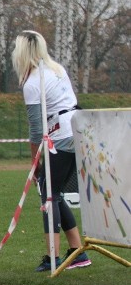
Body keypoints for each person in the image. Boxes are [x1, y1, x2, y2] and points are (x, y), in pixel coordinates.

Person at [11, 30, 91, 272]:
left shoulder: (32, 83)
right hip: (77, 130)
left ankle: (53, 256)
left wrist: (34, 160)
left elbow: (36, 129)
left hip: (61, 136)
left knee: (48, 194)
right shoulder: (57, 70)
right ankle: (76, 251)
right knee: (53, 192)